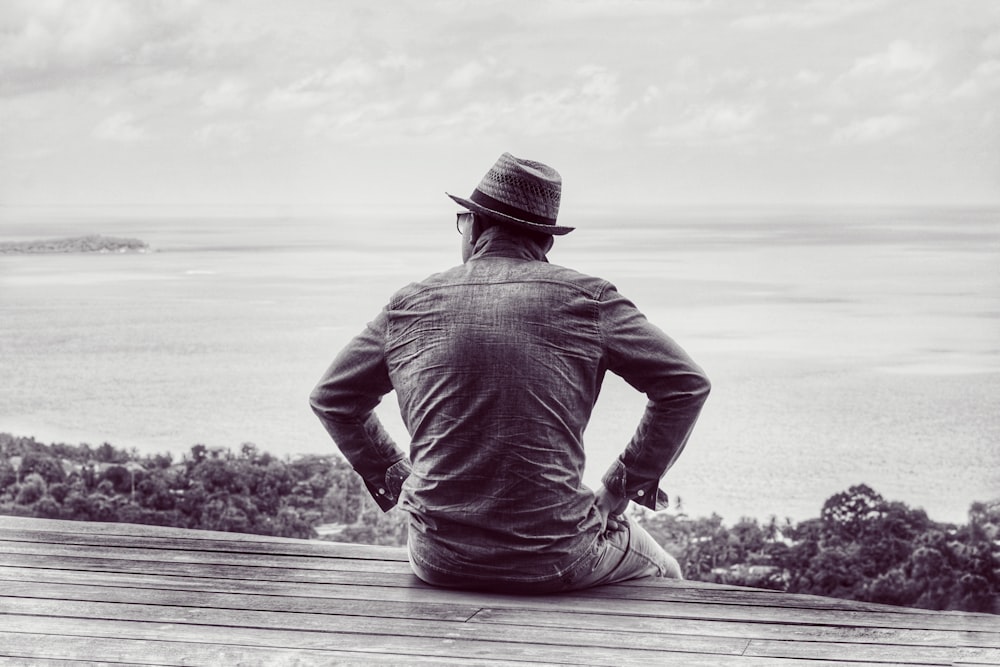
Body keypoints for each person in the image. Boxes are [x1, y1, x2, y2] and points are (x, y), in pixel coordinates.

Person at [310, 152, 710, 593]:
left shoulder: (410, 303)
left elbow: (333, 398)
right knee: (667, 574)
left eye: (463, 221)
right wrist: (620, 486)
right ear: (545, 243)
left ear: (476, 226)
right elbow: (685, 385)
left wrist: (397, 474)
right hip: (557, 558)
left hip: (437, 558)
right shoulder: (588, 300)